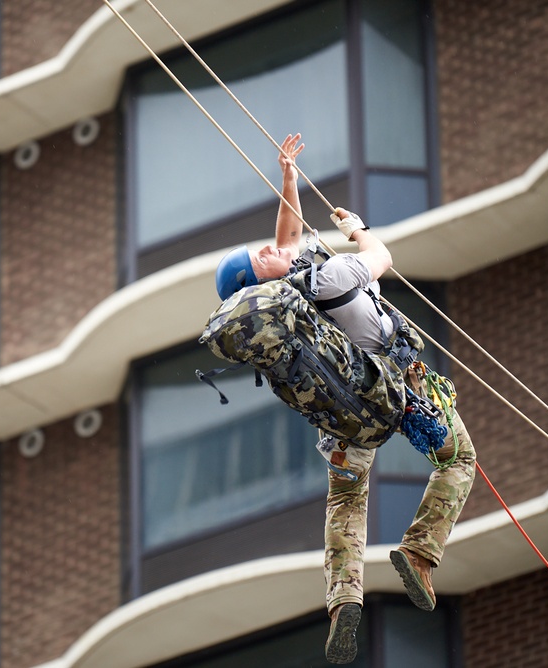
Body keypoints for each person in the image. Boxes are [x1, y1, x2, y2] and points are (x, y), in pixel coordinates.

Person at [214, 134, 477, 665]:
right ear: (254, 280)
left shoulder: (292, 308)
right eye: (259, 258)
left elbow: (285, 240)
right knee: (459, 460)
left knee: (345, 502)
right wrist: (357, 230)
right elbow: (380, 257)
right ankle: (420, 553)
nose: (270, 249)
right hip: (399, 385)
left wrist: (289, 178)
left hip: (342, 418)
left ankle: (343, 600)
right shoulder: (329, 278)